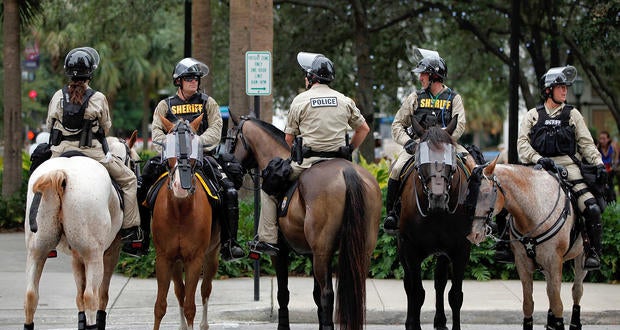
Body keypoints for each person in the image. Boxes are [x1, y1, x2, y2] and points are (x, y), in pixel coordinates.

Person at [248, 52, 371, 254]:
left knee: (269, 184)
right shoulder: (344, 100)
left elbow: (288, 139)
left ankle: (268, 238)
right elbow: (363, 129)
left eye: (306, 75)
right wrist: (349, 149)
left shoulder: (300, 100)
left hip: (307, 163)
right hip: (340, 161)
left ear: (311, 78)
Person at [137, 57, 244, 261]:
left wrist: (195, 143)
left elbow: (215, 129)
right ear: (178, 81)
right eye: (189, 79)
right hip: (172, 159)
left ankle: (230, 244)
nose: (194, 82)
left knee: (229, 190)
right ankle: (141, 238)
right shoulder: (164, 105)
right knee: (141, 185)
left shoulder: (208, 103)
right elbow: (157, 133)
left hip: (202, 158)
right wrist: (176, 144)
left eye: (196, 79)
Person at [45, 47, 143, 250]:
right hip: (92, 152)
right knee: (130, 180)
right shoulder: (98, 98)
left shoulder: (57, 96)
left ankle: (39, 228)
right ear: (90, 73)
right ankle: (130, 229)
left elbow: (49, 125)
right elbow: (106, 128)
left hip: (59, 152)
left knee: (38, 181)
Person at [511, 65, 605, 270]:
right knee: (509, 198)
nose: (565, 91)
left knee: (592, 208)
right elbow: (522, 144)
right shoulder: (532, 115)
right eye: (560, 87)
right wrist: (538, 158)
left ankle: (594, 252)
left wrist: (598, 163)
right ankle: (505, 246)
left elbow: (586, 143)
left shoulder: (573, 115)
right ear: (548, 90)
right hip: (537, 169)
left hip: (569, 169)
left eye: (566, 87)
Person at [383, 49, 469, 233]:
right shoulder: (414, 97)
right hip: (417, 145)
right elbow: (397, 124)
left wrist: (444, 141)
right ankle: (392, 214)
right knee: (397, 169)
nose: (420, 77)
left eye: (423, 74)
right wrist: (408, 142)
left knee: (474, 167)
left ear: (433, 76)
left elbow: (459, 125)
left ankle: (475, 214)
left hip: (448, 144)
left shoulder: (455, 98)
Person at [597, 130, 618, 202]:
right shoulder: (598, 148)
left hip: (611, 170)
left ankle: (613, 203)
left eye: (604, 138)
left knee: (611, 187)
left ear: (608, 139)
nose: (602, 141)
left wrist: (614, 166)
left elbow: (617, 157)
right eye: (600, 138)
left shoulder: (613, 146)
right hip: (602, 170)